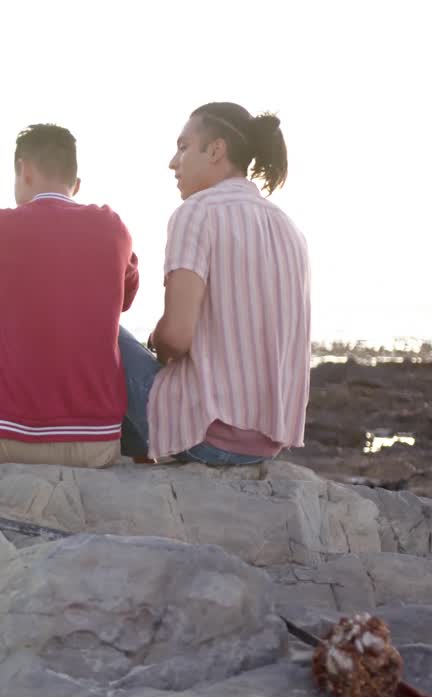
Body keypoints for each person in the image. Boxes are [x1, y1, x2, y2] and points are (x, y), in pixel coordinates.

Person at [0, 123, 139, 478]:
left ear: (23, 170)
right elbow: (124, 300)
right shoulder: (113, 227)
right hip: (98, 443)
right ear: (76, 184)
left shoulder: (0, 227)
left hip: (14, 442)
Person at [119, 102, 310, 465]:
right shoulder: (290, 229)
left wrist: (158, 339)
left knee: (102, 331)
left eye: (184, 147)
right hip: (267, 444)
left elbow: (176, 338)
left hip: (206, 437)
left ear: (216, 150)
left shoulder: (196, 212)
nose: (173, 162)